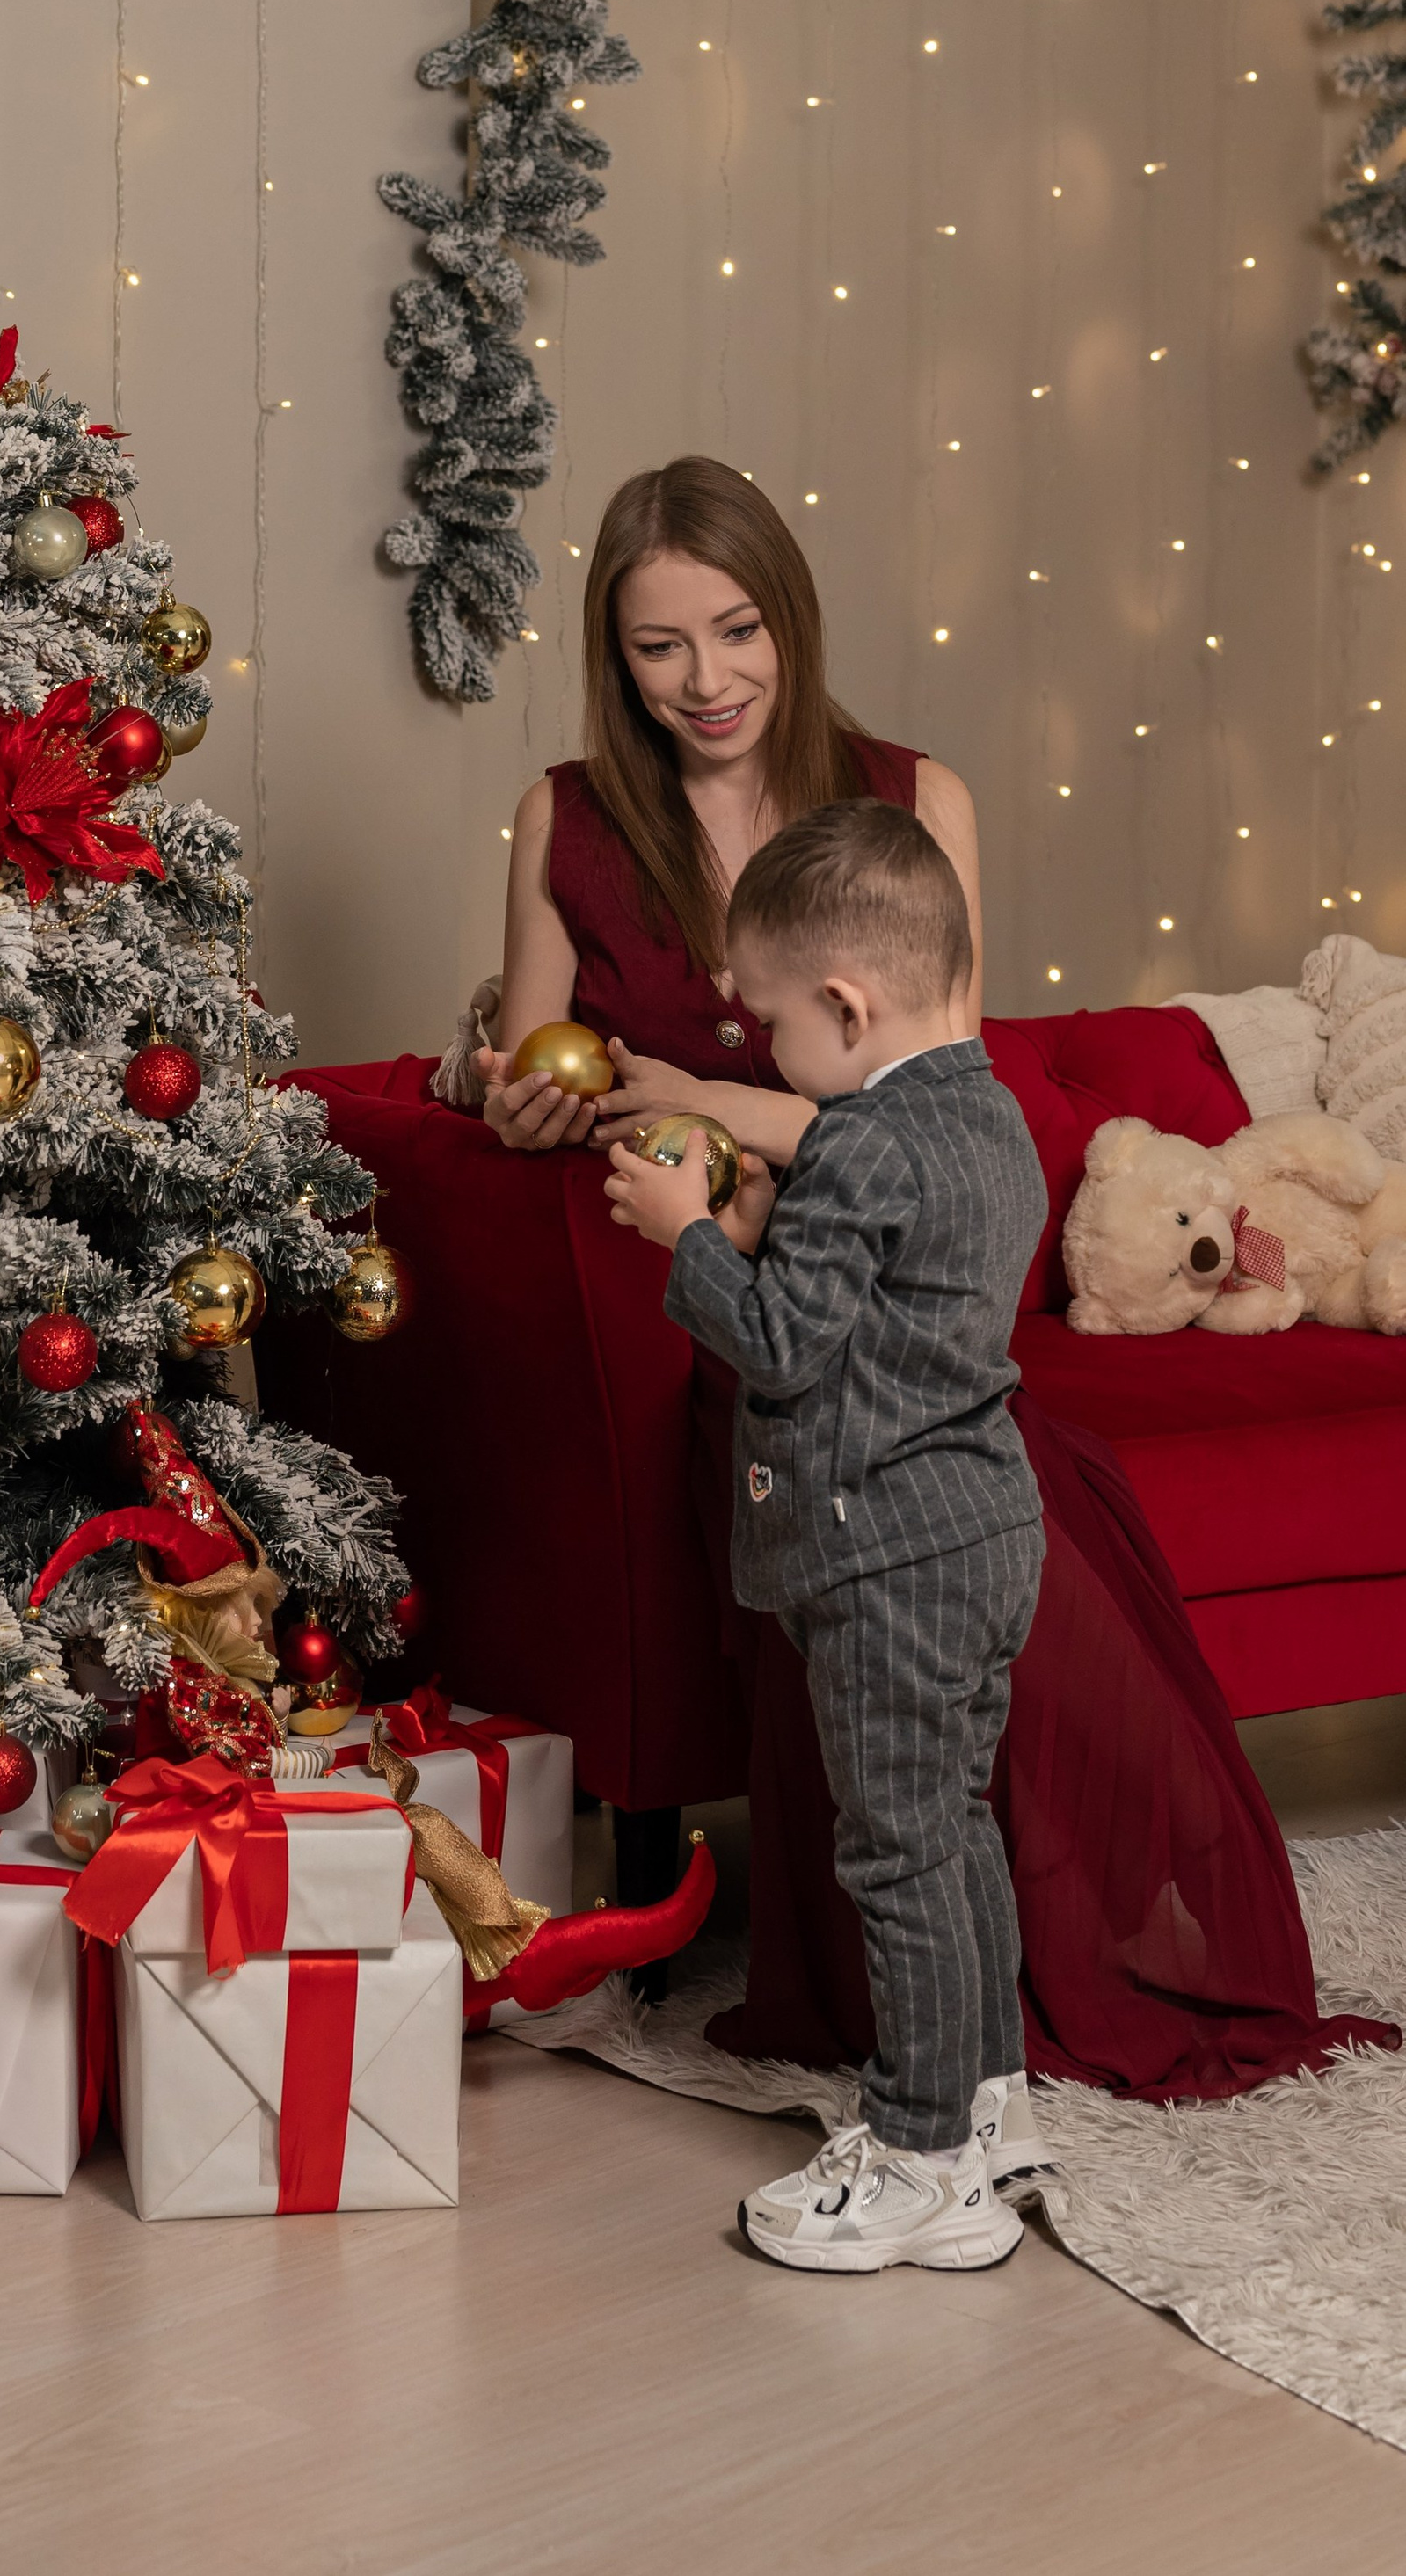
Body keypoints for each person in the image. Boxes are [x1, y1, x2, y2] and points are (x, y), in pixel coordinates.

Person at [470, 455, 1395, 2121]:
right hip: (709, 1297)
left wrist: (721, 1102)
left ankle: (1055, 1957)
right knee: (865, 1470)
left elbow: (941, 1106)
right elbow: (535, 1060)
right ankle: (926, 1983)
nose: (707, 679)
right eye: (660, 647)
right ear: (615, 657)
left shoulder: (913, 799)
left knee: (1017, 1500)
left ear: (789, 617)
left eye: (737, 630)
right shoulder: (570, 817)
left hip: (885, 1278)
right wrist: (522, 1101)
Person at [607, 800, 1045, 2273]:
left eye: (771, 1024)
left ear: (848, 1008)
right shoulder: (988, 1113)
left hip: (889, 1550)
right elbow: (889, 1312)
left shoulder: (860, 1140)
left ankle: (921, 2159)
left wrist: (685, 1232)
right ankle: (987, 2106)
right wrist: (758, 1239)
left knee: (895, 1855)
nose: (759, 1051)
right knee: (953, 1827)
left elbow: (788, 1348)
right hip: (986, 1526)